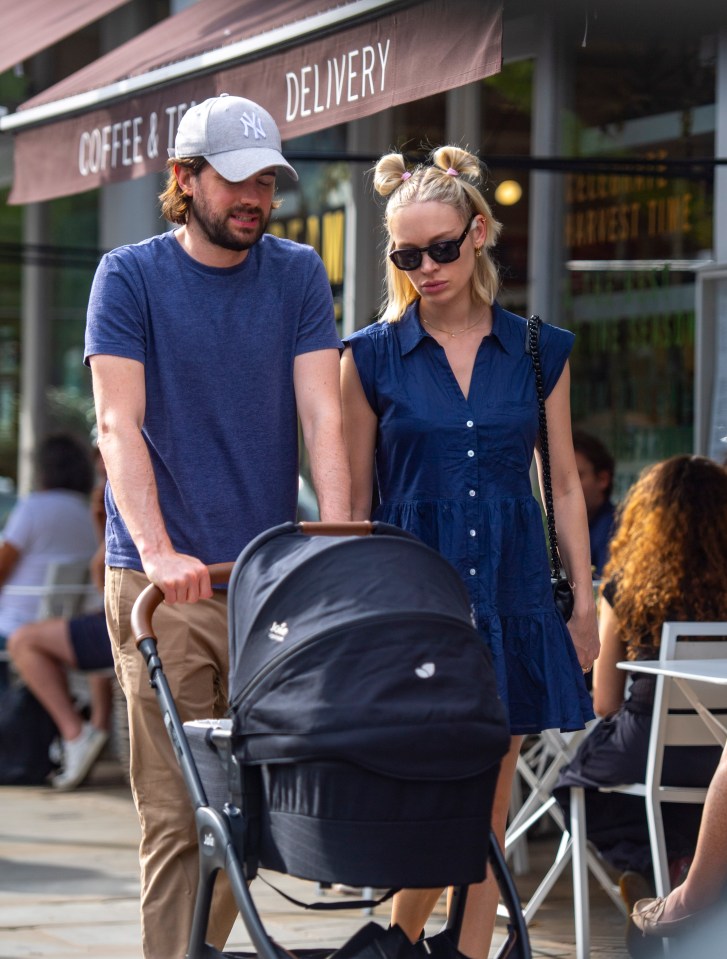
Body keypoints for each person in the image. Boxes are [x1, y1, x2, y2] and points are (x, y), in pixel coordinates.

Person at [84, 93, 351, 959]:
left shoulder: (298, 272)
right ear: (184, 180)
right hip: (163, 584)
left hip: (267, 582)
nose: (256, 199)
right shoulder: (129, 276)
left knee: (258, 810)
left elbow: (323, 415)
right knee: (178, 816)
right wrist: (160, 553)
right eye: (236, 181)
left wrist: (342, 538)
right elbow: (117, 423)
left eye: (266, 182)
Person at [340, 145, 599, 959]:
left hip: (513, 592)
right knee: (432, 793)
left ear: (479, 233)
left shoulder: (535, 349)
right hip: (413, 600)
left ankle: (461, 949)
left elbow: (560, 483)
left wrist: (585, 604)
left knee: (489, 796)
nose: (426, 267)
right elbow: (348, 503)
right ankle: (391, 939)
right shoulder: (371, 355)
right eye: (406, 254)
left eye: (441, 248)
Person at [553, 455, 727, 949]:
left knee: (577, 786)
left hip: (648, 747)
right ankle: (685, 867)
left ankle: (652, 868)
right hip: (720, 757)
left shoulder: (628, 589)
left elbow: (606, 701)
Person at [7, 450, 115, 791]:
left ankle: (76, 733)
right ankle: (93, 728)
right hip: (104, 619)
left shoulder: (35, 508)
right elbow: (103, 583)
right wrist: (100, 524)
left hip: (114, 625)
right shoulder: (88, 511)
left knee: (23, 641)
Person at [0, 432, 98, 673]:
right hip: (66, 628)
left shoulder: (33, 508)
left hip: (15, 627)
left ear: (43, 470)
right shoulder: (90, 514)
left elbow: (2, 566)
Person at [631, 741, 727, 943]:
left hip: (655, 752)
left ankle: (687, 891)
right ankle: (681, 870)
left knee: (577, 784)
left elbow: (605, 709)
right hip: (706, 754)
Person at [572, 429, 616, 578]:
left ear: (603, 480)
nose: (566, 487)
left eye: (577, 476)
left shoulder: (615, 530)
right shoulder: (562, 530)